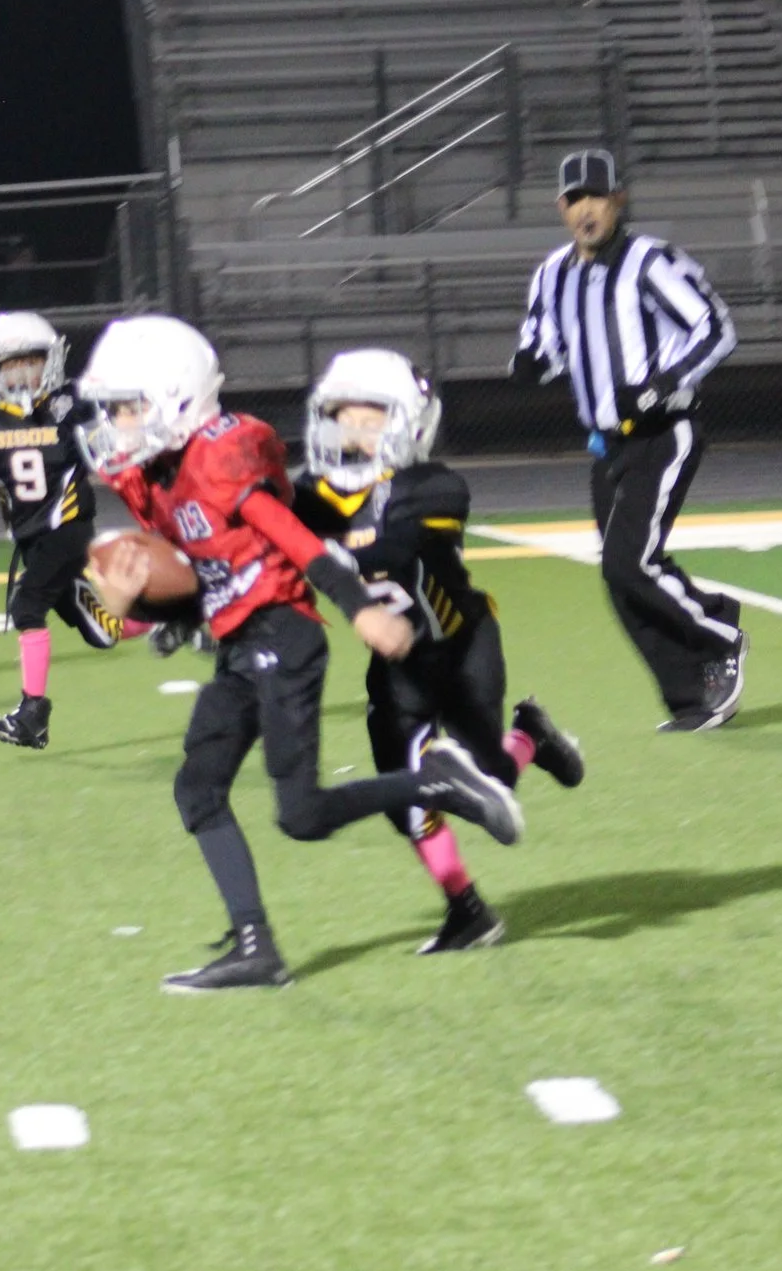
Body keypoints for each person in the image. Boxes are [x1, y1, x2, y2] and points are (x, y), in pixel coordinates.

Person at [79, 314, 523, 993]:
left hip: (283, 634)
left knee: (301, 815)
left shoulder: (218, 455)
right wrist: (137, 607)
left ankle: (436, 783)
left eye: (129, 407)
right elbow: (201, 572)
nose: (118, 423)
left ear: (175, 397)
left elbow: (292, 537)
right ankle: (256, 945)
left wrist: (358, 607)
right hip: (239, 638)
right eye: (113, 409)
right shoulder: (151, 477)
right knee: (198, 786)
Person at [292, 349, 586, 954]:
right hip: (398, 663)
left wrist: (320, 556)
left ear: (408, 424)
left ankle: (531, 735)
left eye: (370, 419)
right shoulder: (310, 495)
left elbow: (395, 548)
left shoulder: (432, 485)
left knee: (491, 779)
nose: (353, 431)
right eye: (342, 418)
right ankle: (466, 910)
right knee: (407, 794)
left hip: (462, 645)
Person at [513, 147, 747, 732]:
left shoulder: (650, 262)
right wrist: (526, 363)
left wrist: (663, 385)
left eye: (597, 196)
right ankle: (691, 697)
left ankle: (720, 631)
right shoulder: (552, 274)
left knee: (629, 562)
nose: (585, 209)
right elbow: (543, 344)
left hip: (666, 431)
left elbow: (716, 327)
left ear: (618, 198)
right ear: (560, 207)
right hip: (606, 443)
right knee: (621, 579)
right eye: (574, 199)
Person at [0, 311, 121, 749]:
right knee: (100, 629)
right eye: (10, 365)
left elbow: (112, 452)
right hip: (30, 536)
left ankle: (32, 716)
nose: (22, 374)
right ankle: (172, 617)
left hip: (67, 525)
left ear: (51, 361)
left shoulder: (72, 404)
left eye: (31, 362)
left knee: (26, 607)